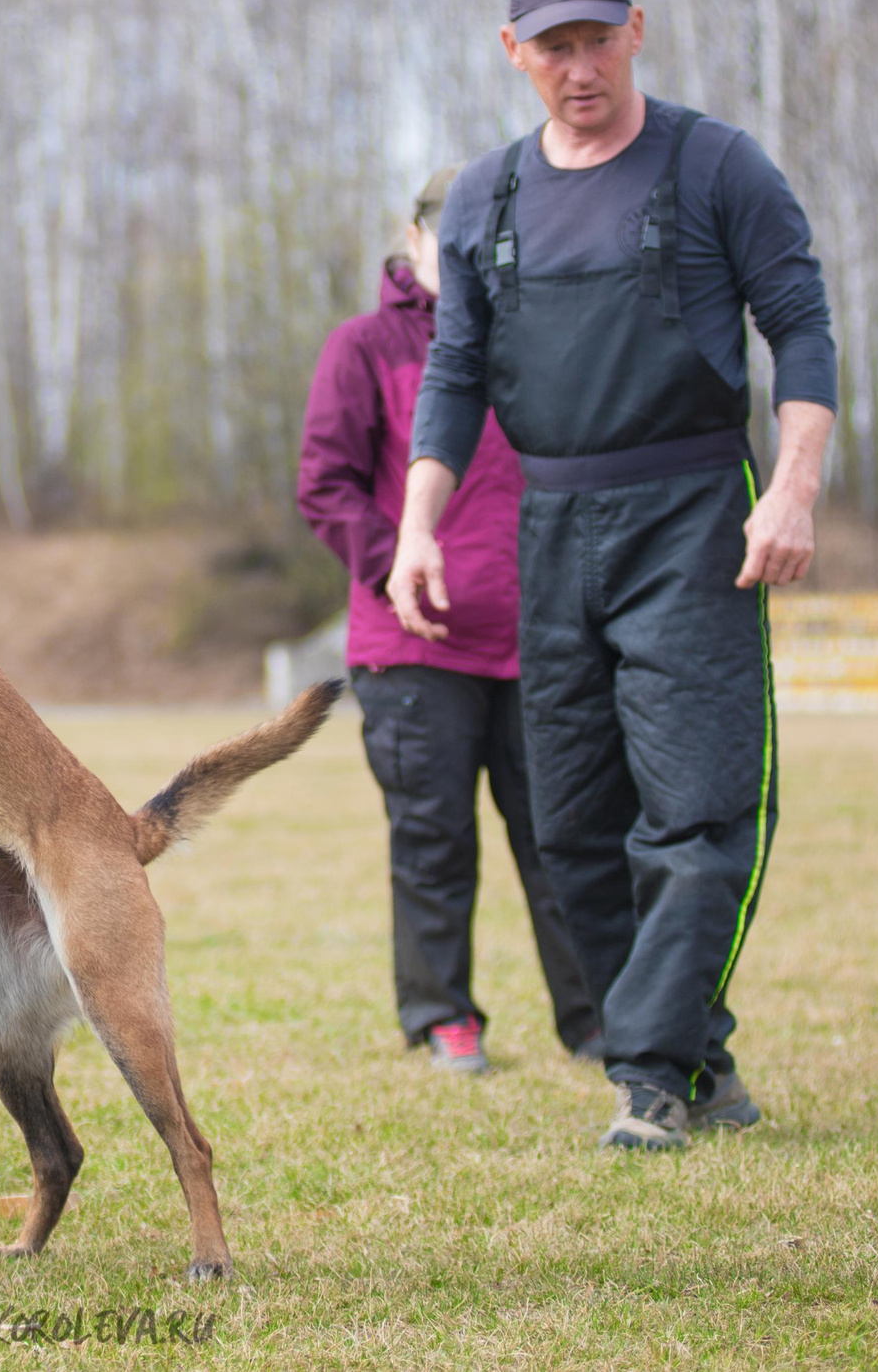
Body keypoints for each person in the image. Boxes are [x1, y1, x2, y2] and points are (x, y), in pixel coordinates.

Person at [388, 0, 836, 1152]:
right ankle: (699, 1056)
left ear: (635, 30)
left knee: (696, 808)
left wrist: (791, 489)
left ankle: (647, 1073)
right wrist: (418, 528)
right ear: (513, 52)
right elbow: (455, 373)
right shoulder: (484, 197)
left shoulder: (716, 165)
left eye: (597, 38)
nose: (578, 66)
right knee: (573, 822)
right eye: (554, 46)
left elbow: (800, 329)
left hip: (693, 512)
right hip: (550, 522)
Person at [298, 170, 599, 1077]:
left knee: (563, 835)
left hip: (537, 640)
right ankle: (443, 1015)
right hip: (413, 647)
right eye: (454, 235)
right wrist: (393, 567)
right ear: (416, 236)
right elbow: (325, 485)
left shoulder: (537, 340)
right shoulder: (364, 347)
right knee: (435, 838)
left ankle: (598, 1020)